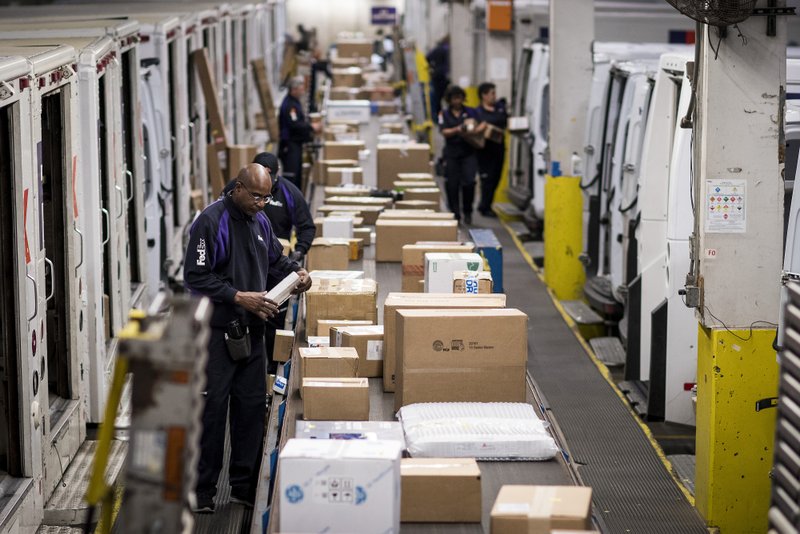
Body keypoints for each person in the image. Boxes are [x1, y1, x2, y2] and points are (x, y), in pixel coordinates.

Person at [184, 164, 312, 513]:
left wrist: (296, 273)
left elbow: (274, 259)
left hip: (254, 332)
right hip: (216, 334)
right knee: (212, 410)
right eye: (255, 196)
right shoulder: (210, 222)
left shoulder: (261, 221)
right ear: (237, 188)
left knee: (252, 407)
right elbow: (195, 277)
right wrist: (240, 297)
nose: (261, 203)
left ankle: (244, 487)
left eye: (266, 197)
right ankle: (203, 491)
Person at [439, 85, 479, 225]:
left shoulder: (471, 112)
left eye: (460, 97)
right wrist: (458, 129)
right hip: (451, 153)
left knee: (469, 182)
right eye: (454, 98)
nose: (457, 101)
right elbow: (444, 131)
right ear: (449, 100)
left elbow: (478, 126)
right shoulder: (444, 114)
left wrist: (472, 130)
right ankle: (455, 213)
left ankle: (467, 211)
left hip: (468, 152)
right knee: (452, 184)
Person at [278, 76, 319, 190]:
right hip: (290, 146)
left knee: (296, 174)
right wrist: (311, 126)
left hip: (295, 144)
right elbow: (294, 124)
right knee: (291, 176)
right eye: (300, 89)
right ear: (293, 89)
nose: (302, 91)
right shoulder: (290, 105)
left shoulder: (294, 102)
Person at [475, 82, 508, 217]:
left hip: (498, 148)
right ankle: (485, 205)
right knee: (486, 178)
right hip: (484, 150)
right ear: (484, 95)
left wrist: (488, 124)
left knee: (496, 177)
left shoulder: (500, 108)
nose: (494, 96)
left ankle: (487, 204)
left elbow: (503, 120)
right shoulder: (478, 111)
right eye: (491, 93)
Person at [426, 35, 450, 120]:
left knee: (437, 98)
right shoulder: (448, 49)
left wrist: (432, 67)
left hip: (437, 75)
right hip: (445, 76)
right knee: (444, 98)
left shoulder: (437, 49)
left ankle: (437, 117)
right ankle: (442, 117)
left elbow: (427, 57)